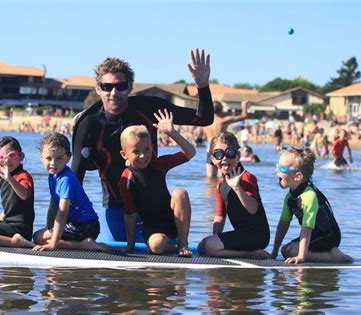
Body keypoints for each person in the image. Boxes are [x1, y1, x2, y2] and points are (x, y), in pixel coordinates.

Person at [71, 49, 214, 241]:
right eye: (106, 87)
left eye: (120, 86)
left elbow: (203, 119)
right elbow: (75, 176)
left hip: (154, 208)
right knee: (114, 263)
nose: (113, 93)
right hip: (116, 209)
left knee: (159, 247)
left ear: (129, 87)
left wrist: (202, 86)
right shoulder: (88, 123)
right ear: (98, 89)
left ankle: (180, 245)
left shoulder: (149, 108)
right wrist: (64, 223)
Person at [118, 110, 195, 257]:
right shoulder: (126, 180)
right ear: (124, 154)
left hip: (173, 220)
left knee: (180, 193)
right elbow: (130, 214)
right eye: (136, 151)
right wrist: (130, 246)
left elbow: (190, 153)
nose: (143, 156)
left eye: (147, 149)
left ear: (152, 147)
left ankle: (183, 243)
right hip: (152, 228)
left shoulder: (158, 164)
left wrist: (172, 133)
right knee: (156, 245)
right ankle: (169, 248)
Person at [270, 148, 353, 263]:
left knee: (290, 251)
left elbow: (307, 228)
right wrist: (274, 252)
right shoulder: (290, 197)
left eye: (282, 168)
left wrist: (301, 256)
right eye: (277, 166)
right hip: (314, 235)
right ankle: (319, 253)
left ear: (297, 176)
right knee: (285, 250)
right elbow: (283, 224)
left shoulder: (309, 196)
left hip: (329, 236)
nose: (277, 171)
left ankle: (334, 256)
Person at [197, 132, 270, 258]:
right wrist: (215, 237)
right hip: (242, 234)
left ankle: (253, 254)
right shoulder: (220, 183)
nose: (224, 158)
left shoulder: (247, 177)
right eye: (219, 154)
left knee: (209, 246)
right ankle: (247, 253)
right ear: (213, 160)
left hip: (257, 236)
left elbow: (253, 209)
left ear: (238, 156)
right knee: (203, 247)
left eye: (229, 153)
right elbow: (220, 217)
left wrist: (237, 187)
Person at [33, 133, 108, 252]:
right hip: (82, 225)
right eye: (48, 158)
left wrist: (53, 244)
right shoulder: (53, 176)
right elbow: (53, 206)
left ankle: (84, 245)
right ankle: (81, 243)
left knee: (38, 238)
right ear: (41, 157)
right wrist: (49, 228)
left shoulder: (66, 179)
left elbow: (62, 213)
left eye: (59, 158)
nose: (53, 163)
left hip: (84, 225)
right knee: (39, 236)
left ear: (68, 157)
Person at [203, 100, 248, 177]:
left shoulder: (206, 122)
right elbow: (244, 116)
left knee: (210, 178)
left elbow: (204, 137)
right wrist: (244, 105)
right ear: (221, 110)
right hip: (222, 152)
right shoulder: (222, 121)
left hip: (210, 150)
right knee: (223, 177)